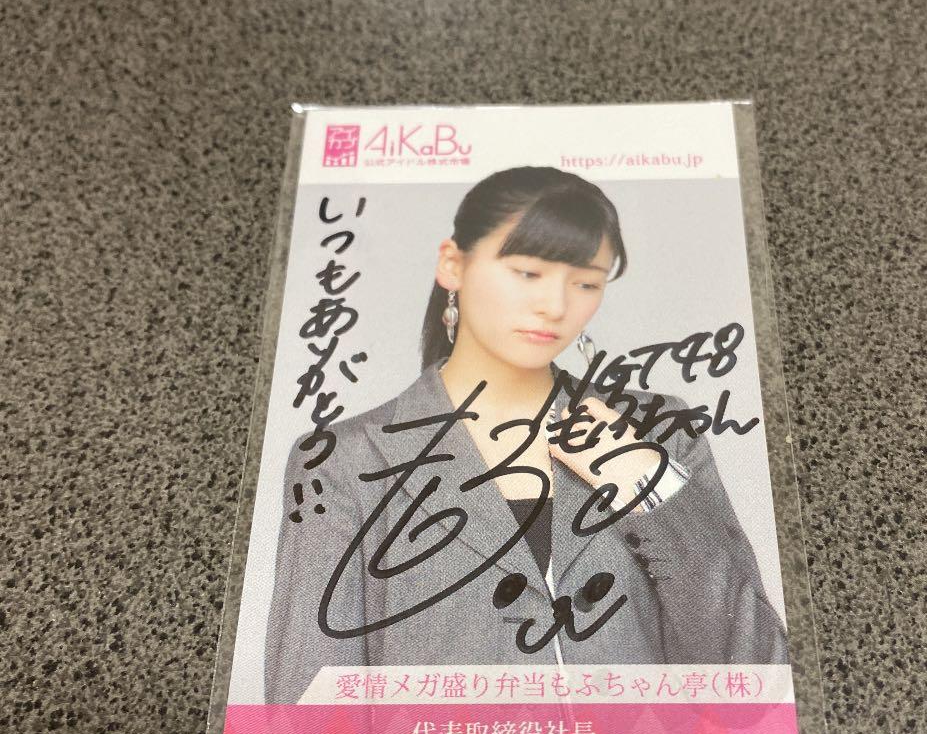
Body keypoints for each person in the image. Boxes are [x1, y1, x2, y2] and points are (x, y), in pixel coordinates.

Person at [265, 167, 788, 703]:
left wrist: (647, 484)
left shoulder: (659, 431)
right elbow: (308, 718)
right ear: (453, 264)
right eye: (527, 273)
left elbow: (755, 683)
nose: (556, 307)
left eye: (585, 283)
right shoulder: (344, 460)